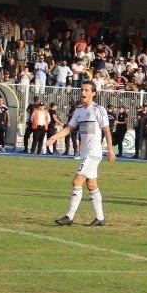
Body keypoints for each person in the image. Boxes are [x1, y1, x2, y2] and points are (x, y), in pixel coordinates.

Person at [48, 80, 116, 226]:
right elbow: (69, 129)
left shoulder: (99, 109)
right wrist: (54, 136)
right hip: (85, 153)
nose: (83, 93)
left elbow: (107, 131)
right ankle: (100, 218)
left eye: (86, 90)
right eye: (82, 90)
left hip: (94, 153)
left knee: (77, 181)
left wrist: (110, 150)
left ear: (93, 93)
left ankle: (69, 217)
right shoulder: (79, 111)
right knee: (91, 184)